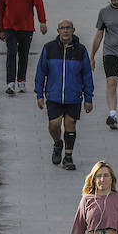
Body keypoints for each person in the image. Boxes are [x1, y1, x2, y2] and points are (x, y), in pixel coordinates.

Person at [35, 20, 96, 171]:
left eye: (68, 28)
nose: (65, 31)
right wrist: (39, 94)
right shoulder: (49, 49)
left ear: (73, 30)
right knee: (54, 125)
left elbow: (87, 75)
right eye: (62, 28)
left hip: (73, 96)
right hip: (54, 95)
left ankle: (68, 157)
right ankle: (57, 143)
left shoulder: (80, 50)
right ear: (58, 31)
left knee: (70, 124)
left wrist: (88, 98)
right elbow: (41, 71)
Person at [0, 0, 48, 94]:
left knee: (24, 55)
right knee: (12, 53)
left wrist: (42, 22)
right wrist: (1, 29)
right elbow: (0, 10)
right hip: (10, 27)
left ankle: (21, 80)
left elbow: (39, 5)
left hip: (26, 27)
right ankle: (10, 83)